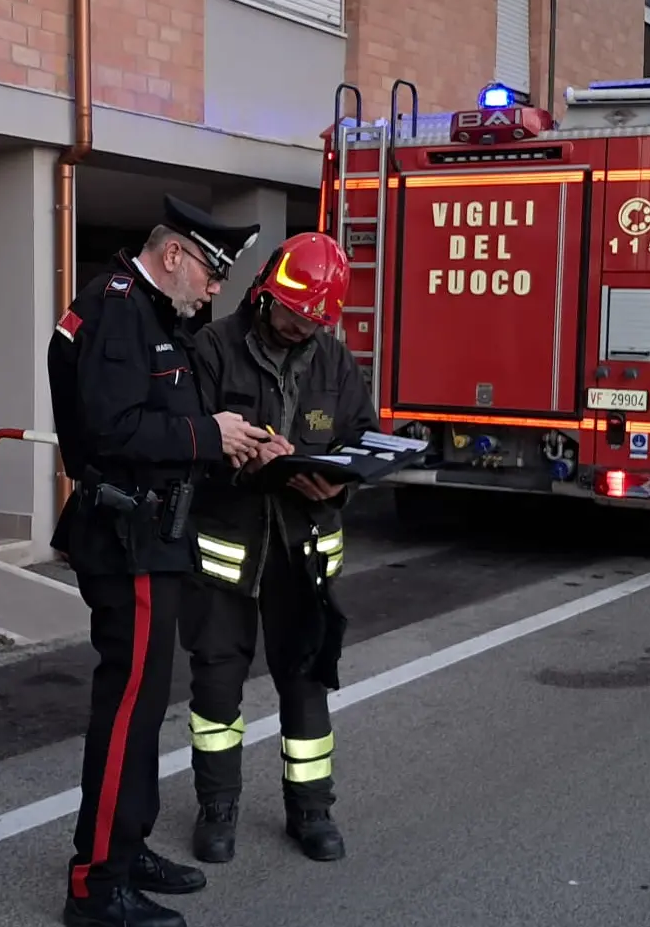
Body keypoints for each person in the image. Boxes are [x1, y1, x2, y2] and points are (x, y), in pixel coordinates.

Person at [46, 195, 269, 927]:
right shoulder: (120, 309)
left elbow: (162, 421)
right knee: (126, 711)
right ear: (174, 253)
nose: (214, 290)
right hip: (129, 539)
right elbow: (114, 429)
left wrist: (232, 439)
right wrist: (209, 433)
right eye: (210, 272)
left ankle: (124, 841)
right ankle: (95, 882)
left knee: (142, 710)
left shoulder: (151, 314)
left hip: (152, 536)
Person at [179, 232, 374, 867]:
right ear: (265, 292)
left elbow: (362, 437)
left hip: (303, 551)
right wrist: (241, 455)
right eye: (293, 314)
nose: (300, 328)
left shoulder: (334, 361)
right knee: (215, 695)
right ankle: (217, 810)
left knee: (306, 685)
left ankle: (312, 812)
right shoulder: (212, 349)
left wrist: (335, 485)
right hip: (227, 554)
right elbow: (189, 444)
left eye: (314, 320)